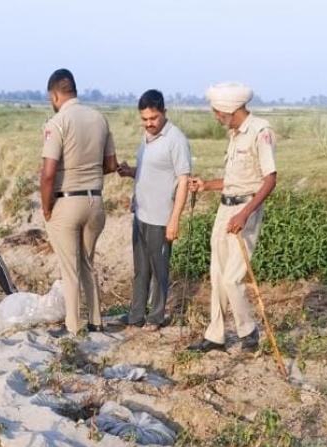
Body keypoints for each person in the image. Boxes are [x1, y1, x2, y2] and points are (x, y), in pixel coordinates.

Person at [187, 82, 277, 353]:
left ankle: (249, 331)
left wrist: (244, 214)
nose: (215, 117)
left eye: (217, 112)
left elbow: (269, 179)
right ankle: (215, 335)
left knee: (232, 278)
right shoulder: (235, 134)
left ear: (228, 109)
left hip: (245, 211)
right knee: (217, 274)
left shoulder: (261, 131)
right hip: (224, 209)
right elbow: (234, 179)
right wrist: (206, 185)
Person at [40, 68, 118, 337]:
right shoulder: (99, 118)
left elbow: (48, 173)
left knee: (69, 269)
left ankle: (74, 328)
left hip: (67, 201)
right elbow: (111, 165)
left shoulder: (57, 122)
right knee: (87, 263)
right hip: (95, 201)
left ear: (55, 94)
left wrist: (47, 207)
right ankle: (96, 320)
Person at [117, 90, 192, 332]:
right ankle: (136, 314)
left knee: (159, 268)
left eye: (154, 118)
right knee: (141, 269)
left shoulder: (175, 139)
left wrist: (174, 220)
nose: (149, 124)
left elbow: (183, 180)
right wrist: (131, 172)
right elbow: (150, 169)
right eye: (145, 119)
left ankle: (156, 316)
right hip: (141, 213)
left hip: (162, 217)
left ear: (164, 113)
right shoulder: (146, 137)